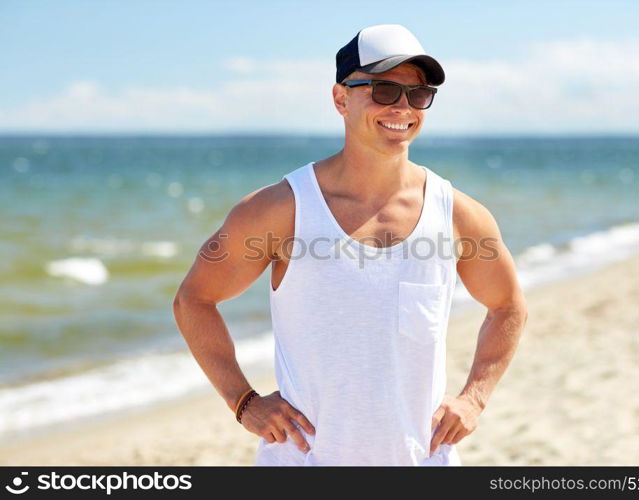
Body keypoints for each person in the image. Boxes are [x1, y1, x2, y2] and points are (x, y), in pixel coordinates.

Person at [172, 24, 528, 466]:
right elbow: (194, 299)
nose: (403, 107)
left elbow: (509, 306)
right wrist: (243, 402)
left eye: (418, 94)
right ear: (341, 98)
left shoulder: (459, 215)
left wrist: (474, 397)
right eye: (383, 89)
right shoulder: (280, 209)